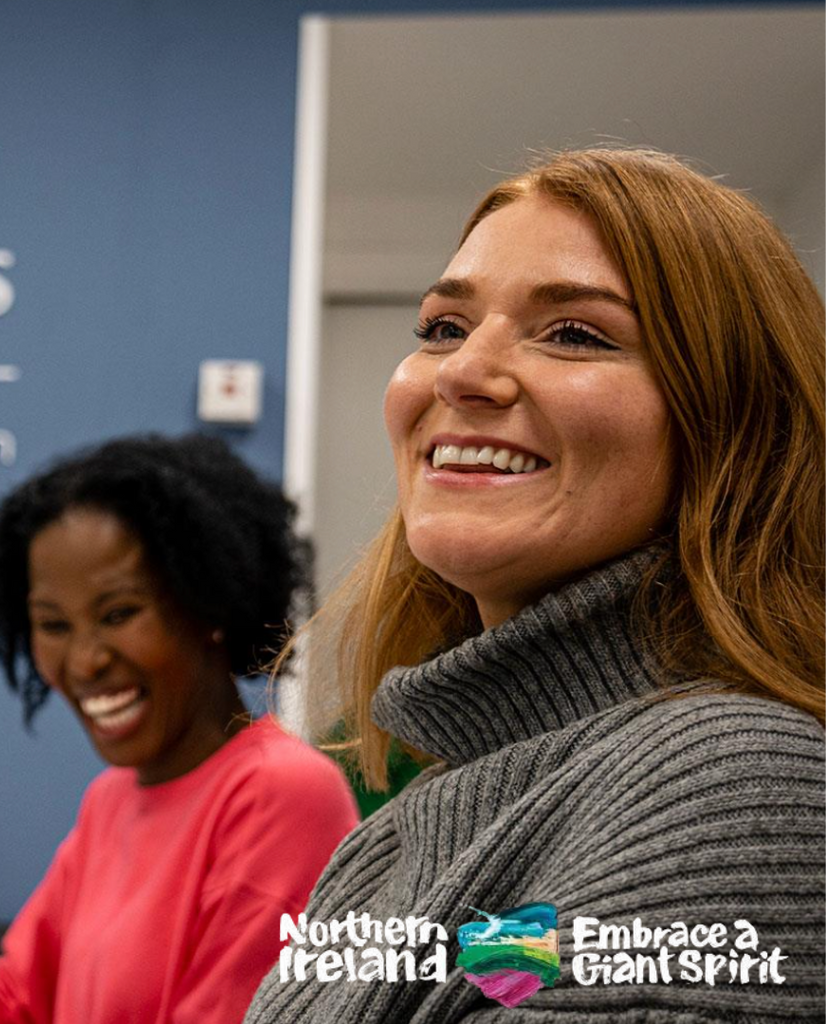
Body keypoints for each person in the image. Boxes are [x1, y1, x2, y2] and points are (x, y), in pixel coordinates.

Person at [244, 148, 825, 1023]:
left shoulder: (739, 783)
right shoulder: (389, 842)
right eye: (443, 326)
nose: (460, 372)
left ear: (732, 423)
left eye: (576, 334)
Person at [0, 433, 358, 1023]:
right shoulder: (112, 800)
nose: (84, 660)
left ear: (210, 605)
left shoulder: (283, 795)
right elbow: (13, 1000)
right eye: (53, 625)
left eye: (119, 614)